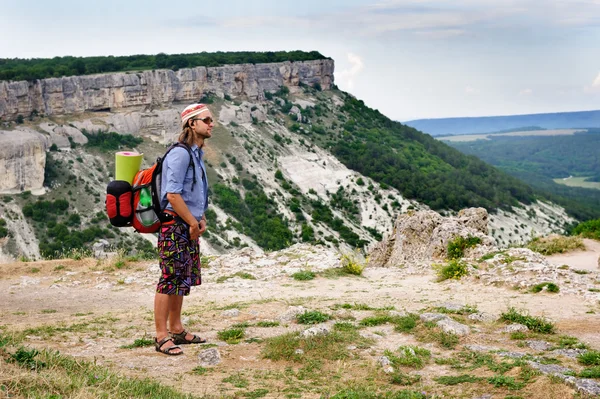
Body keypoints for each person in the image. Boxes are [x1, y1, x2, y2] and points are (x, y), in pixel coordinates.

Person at [154, 103, 214, 356]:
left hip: (187, 224)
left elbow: (193, 193)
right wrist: (191, 222)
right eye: (207, 120)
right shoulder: (180, 154)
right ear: (191, 123)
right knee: (169, 279)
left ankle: (176, 328)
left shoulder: (195, 154)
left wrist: (199, 218)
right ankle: (160, 336)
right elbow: (173, 194)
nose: (212, 124)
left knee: (181, 278)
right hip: (175, 225)